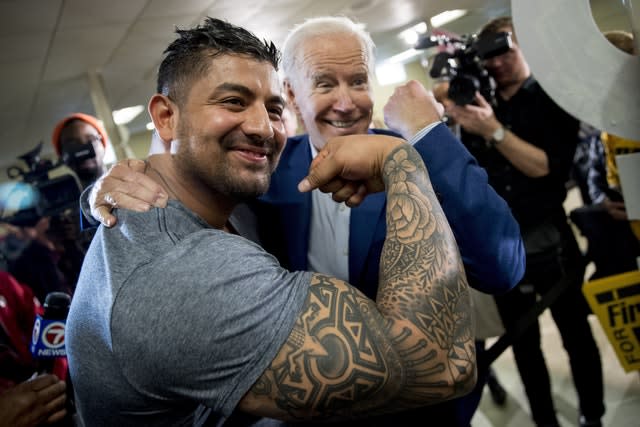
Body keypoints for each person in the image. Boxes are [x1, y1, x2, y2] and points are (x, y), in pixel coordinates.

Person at [84, 16, 526, 427]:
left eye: (358, 81)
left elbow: (502, 266)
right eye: (324, 83)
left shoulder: (413, 161)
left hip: (423, 412)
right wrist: (100, 192)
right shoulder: (264, 170)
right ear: (294, 95)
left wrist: (424, 138)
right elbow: (183, 187)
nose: (346, 102)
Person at [445, 16, 605, 427]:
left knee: (576, 336)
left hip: (553, 240)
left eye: (504, 50)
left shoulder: (555, 99)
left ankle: (593, 414)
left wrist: (492, 129)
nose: (497, 63)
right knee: (523, 343)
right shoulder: (479, 101)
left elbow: (545, 168)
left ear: (526, 48)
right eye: (488, 55)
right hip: (502, 245)